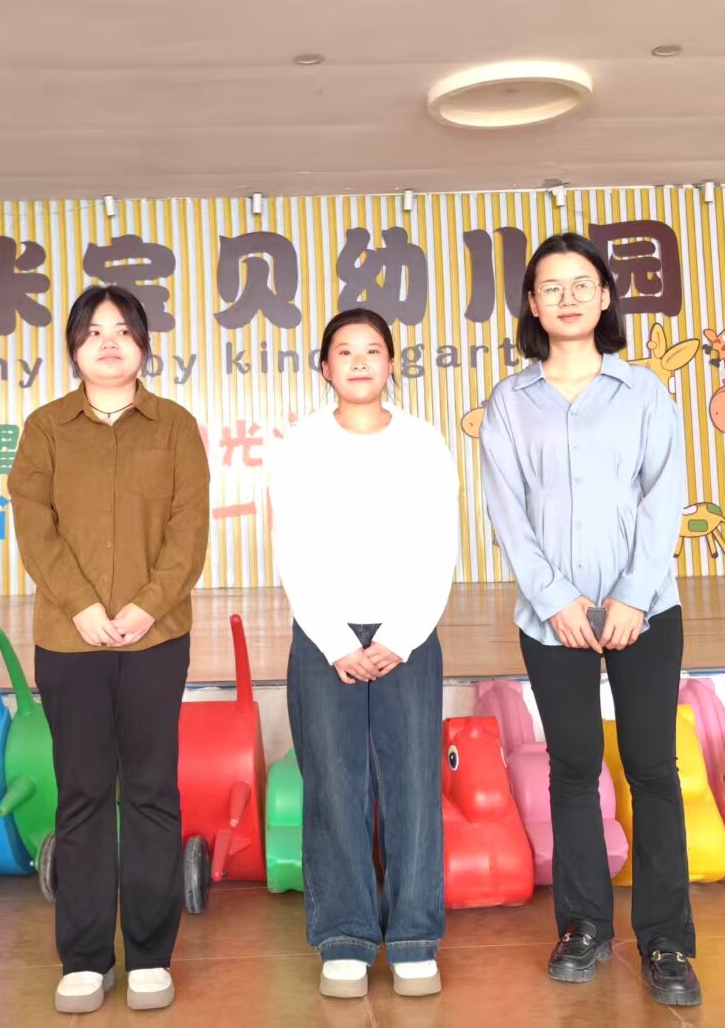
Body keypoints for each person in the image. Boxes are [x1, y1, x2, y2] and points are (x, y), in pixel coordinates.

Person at [476, 232, 700, 1008]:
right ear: (532, 305)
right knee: (572, 767)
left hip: (646, 610)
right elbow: (506, 511)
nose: (567, 297)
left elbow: (663, 494)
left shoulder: (643, 392)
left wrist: (634, 594)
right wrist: (554, 599)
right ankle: (583, 928)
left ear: (605, 297)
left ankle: (666, 939)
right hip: (553, 618)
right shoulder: (511, 402)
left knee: (652, 768)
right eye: (551, 286)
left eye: (582, 283)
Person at [7, 284, 210, 1016]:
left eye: (123, 330)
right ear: (74, 349)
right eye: (94, 331)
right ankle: (85, 958)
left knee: (152, 788)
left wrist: (147, 605)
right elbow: (36, 529)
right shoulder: (45, 428)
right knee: (85, 791)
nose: (110, 342)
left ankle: (151, 955)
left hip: (157, 637)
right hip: (72, 638)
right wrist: (84, 607)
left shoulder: (176, 426)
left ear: (144, 345)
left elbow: (189, 529)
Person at [268, 308, 457, 1000]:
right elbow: (292, 550)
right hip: (325, 638)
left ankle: (413, 938)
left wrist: (398, 637)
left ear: (391, 364)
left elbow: (440, 546)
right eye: (343, 351)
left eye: (372, 349)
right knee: (334, 785)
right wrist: (337, 641)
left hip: (409, 635)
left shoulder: (423, 442)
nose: (358, 361)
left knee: (412, 785)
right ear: (324, 368)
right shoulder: (301, 445)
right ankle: (344, 937)